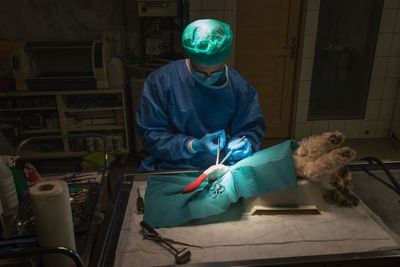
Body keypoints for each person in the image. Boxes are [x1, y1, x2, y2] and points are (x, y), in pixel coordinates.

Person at [136, 19, 266, 172]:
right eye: (201, 72)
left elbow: (250, 127)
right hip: (169, 167)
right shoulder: (161, 82)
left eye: (216, 71)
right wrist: (192, 145)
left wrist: (245, 143)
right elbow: (151, 135)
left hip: (219, 168)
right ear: (190, 58)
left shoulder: (239, 87)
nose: (209, 77)